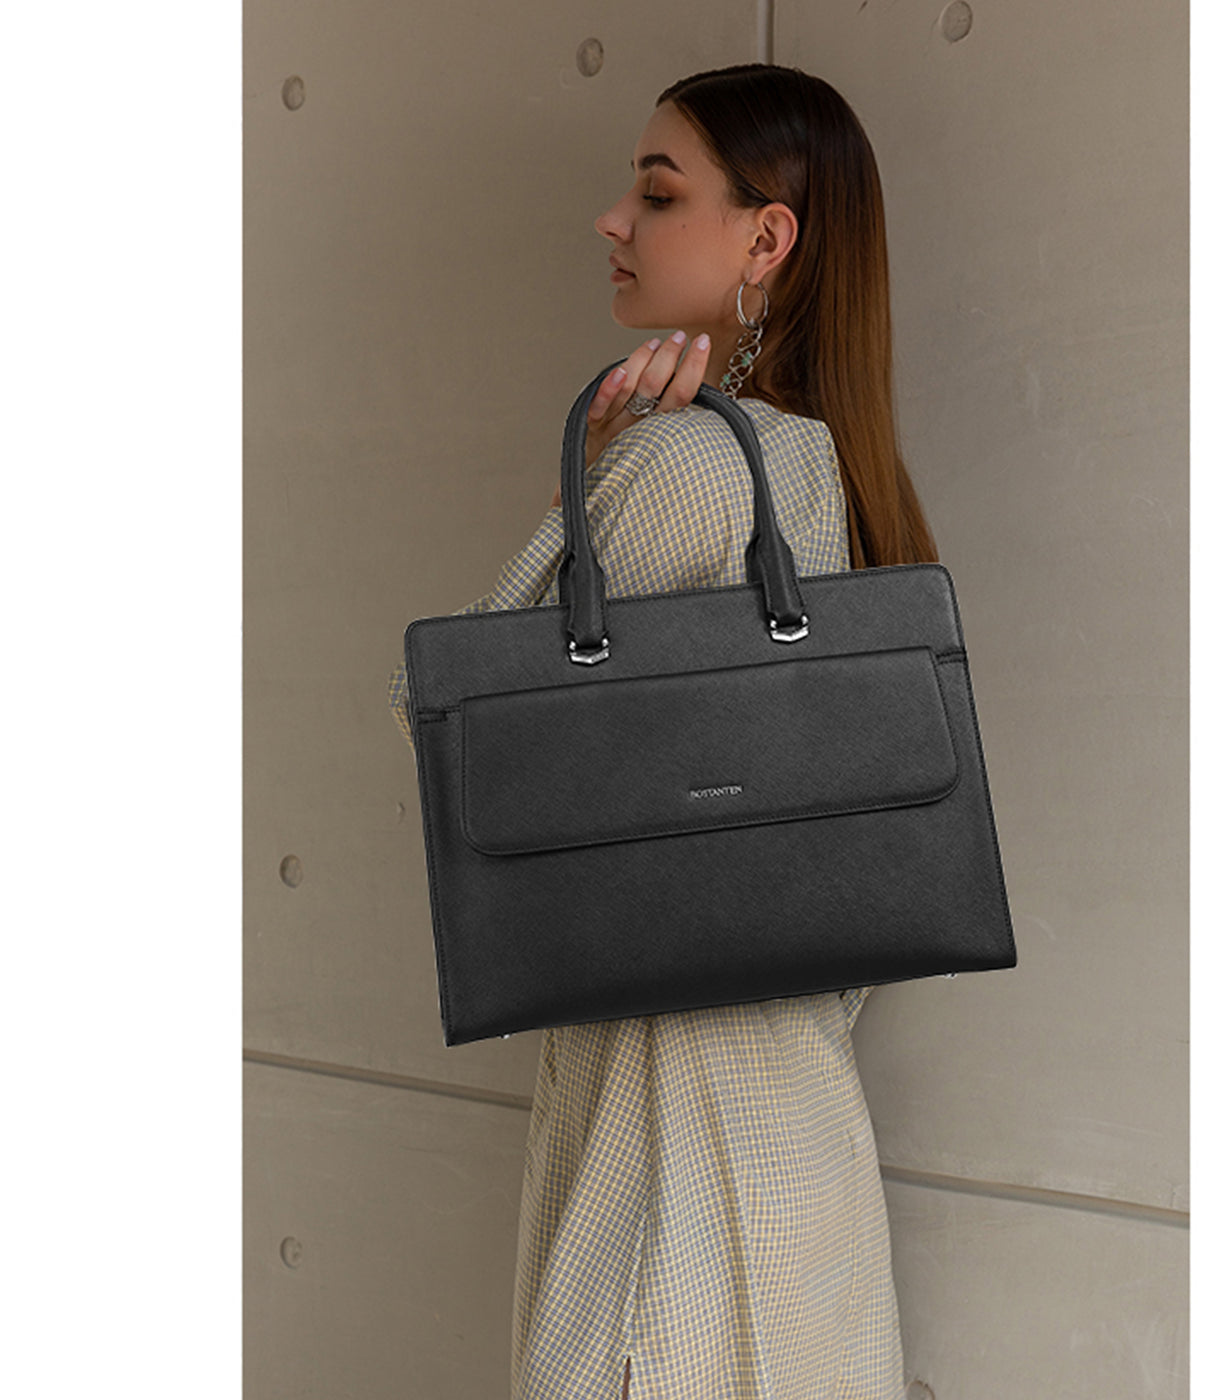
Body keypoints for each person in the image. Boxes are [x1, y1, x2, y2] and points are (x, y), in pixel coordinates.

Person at [390, 62, 938, 1399]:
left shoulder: (687, 464)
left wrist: (588, 482)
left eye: (657, 192)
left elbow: (463, 730)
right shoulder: (831, 468)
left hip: (669, 1173)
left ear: (766, 239)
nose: (614, 220)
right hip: (799, 1150)